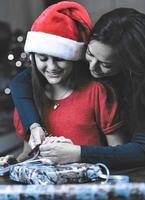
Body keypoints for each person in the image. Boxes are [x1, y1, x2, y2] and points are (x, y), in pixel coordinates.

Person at [10, 2, 127, 163]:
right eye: (43, 58)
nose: (51, 67)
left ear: (74, 58)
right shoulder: (29, 99)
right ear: (33, 58)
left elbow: (118, 153)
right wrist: (13, 163)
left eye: (60, 59)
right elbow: (28, 155)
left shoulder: (97, 92)